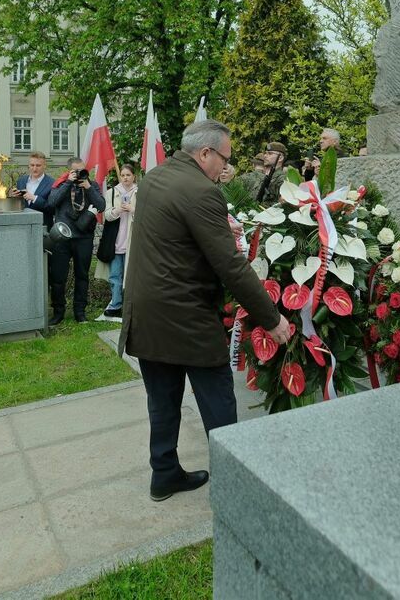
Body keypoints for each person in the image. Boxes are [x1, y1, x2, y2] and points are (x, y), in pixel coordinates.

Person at [118, 120, 291, 501]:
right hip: (186, 316)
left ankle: (163, 474)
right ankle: (234, 487)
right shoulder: (201, 191)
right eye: (224, 159)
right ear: (205, 153)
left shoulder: (155, 178)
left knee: (162, 401)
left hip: (146, 313)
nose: (224, 169)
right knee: (218, 402)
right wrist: (273, 318)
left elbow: (173, 241)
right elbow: (230, 266)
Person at [46, 157, 105, 324]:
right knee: (58, 277)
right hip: (62, 237)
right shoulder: (61, 184)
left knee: (82, 276)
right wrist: (67, 184)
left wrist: (88, 188)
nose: (80, 174)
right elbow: (51, 203)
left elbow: (101, 205)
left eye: (82, 171)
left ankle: (80, 312)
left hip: (83, 237)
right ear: (69, 171)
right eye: (76, 171)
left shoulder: (91, 185)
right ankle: (58, 313)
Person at [100, 163, 138, 318]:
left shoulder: (140, 192)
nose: (125, 178)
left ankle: (131, 306)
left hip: (132, 242)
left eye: (128, 175)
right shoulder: (112, 192)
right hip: (116, 242)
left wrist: (133, 210)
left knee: (132, 277)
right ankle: (115, 305)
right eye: (122, 175)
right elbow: (107, 216)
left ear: (134, 176)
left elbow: (146, 216)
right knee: (115, 276)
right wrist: (118, 210)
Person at [12, 151, 56, 228]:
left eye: (38, 165)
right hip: (22, 226)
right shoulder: (21, 180)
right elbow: (18, 206)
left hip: (42, 227)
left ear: (44, 166)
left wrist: (34, 198)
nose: (34, 168)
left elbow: (53, 209)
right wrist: (13, 197)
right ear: (28, 165)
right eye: (32, 165)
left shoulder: (52, 183)